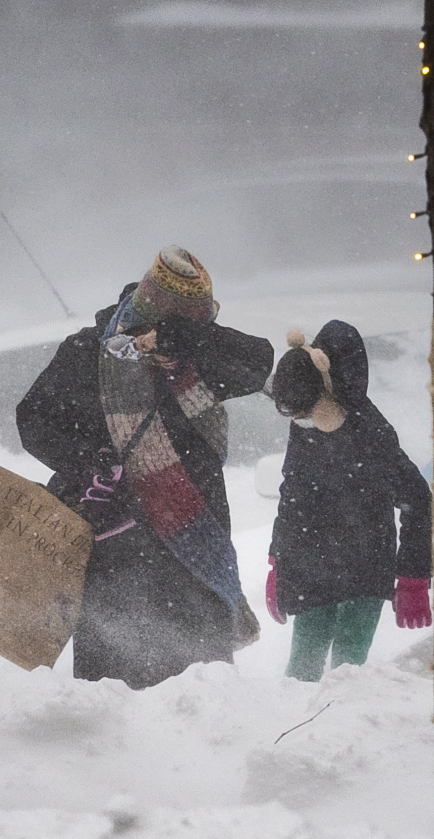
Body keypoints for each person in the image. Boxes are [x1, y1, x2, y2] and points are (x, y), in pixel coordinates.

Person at [16, 245, 274, 689]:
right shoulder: (88, 353)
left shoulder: (195, 361)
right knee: (113, 710)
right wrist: (89, 462)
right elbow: (33, 419)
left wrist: (185, 338)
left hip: (194, 552)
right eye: (190, 321)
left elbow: (258, 361)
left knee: (205, 702)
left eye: (199, 324)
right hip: (114, 554)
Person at [263, 321, 433, 681]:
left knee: (349, 665)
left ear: (325, 394)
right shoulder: (306, 425)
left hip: (366, 562)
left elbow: (417, 497)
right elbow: (292, 494)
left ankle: (342, 724)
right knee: (302, 662)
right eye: (294, 416)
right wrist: (278, 560)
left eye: (305, 413)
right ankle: (294, 723)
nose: (301, 422)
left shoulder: (372, 435)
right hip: (313, 562)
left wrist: (413, 576)